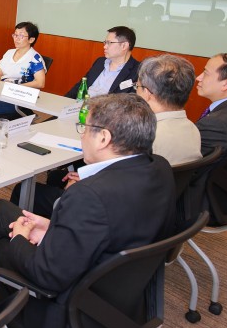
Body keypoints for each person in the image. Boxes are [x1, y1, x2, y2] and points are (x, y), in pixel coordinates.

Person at [0, 94, 175, 328]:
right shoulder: (159, 167)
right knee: (1, 210)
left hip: (69, 309)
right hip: (118, 291)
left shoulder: (89, 195)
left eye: (85, 127)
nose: (81, 134)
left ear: (103, 138)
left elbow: (47, 276)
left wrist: (20, 237)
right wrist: (53, 227)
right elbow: (110, 227)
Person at [21, 54, 202, 218]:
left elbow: (115, 186)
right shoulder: (193, 131)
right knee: (58, 177)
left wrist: (86, 181)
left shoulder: (143, 138)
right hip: (158, 210)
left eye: (137, 87)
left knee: (27, 192)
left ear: (147, 93)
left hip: (115, 212)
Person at [65, 26, 139, 99]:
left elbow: (128, 104)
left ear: (124, 46)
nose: (104, 47)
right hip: (80, 106)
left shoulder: (137, 71)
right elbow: (80, 86)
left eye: (109, 43)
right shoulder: (100, 62)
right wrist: (64, 101)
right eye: (105, 42)